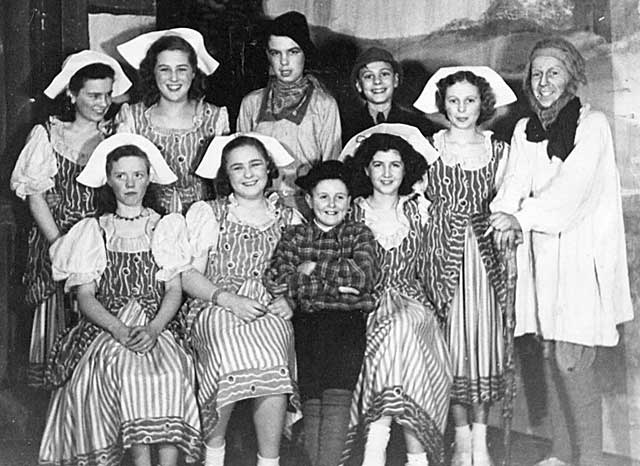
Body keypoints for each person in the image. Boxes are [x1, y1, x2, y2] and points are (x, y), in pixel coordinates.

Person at [489, 37, 634, 466]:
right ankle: (561, 452)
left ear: (571, 76)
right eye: (537, 73)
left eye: (553, 72)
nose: (544, 81)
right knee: (550, 354)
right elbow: (513, 182)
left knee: (573, 358)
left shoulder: (593, 126)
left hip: (577, 259)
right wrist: (502, 212)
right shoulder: (525, 128)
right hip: (541, 263)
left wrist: (522, 217)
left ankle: (589, 458)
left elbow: (573, 194)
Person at [39, 133, 202, 466]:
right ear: (108, 180)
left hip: (156, 322)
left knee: (172, 371)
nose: (130, 183)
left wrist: (155, 328)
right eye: (121, 175)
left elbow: (173, 289)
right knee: (127, 373)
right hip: (109, 324)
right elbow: (86, 296)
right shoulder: (94, 229)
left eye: (138, 175)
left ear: (148, 178)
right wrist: (119, 330)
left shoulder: (165, 226)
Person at [413, 66, 516, 466]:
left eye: (469, 100)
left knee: (484, 342)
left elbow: (509, 199)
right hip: (441, 254)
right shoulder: (428, 146)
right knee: (452, 344)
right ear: (443, 104)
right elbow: (415, 200)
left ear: (483, 104)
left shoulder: (497, 150)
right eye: (453, 100)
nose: (461, 108)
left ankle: (481, 441)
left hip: (485, 257)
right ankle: (459, 438)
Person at [10, 50, 131, 388]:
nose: (102, 102)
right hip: (56, 238)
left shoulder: (115, 136)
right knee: (57, 315)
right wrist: (60, 248)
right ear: (72, 93)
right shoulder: (48, 133)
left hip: (99, 243)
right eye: (93, 95)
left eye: (107, 94)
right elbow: (36, 197)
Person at [180, 133, 303, 466]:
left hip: (268, 305)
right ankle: (214, 453)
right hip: (217, 303)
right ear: (226, 175)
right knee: (226, 351)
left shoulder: (288, 216)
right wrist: (228, 300)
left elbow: (302, 269)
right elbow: (189, 276)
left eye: (254, 165)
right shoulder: (209, 213)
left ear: (268, 167)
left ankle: (269, 460)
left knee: (273, 354)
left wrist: (289, 300)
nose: (248, 174)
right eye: (237, 168)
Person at [339, 127, 451, 466]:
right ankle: (406, 456)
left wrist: (443, 307)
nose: (387, 173)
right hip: (364, 307)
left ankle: (379, 446)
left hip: (413, 303)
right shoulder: (351, 211)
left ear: (406, 170)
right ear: (365, 169)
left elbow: (433, 267)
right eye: (378, 164)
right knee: (395, 333)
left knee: (403, 326)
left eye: (395, 165)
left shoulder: (419, 211)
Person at [264, 160, 377, 466]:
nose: (331, 204)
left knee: (337, 400)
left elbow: (363, 277)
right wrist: (336, 286)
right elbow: (278, 278)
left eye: (339, 197)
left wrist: (311, 269)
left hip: (347, 327)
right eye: (323, 197)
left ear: (350, 202)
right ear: (309, 200)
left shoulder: (359, 234)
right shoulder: (294, 236)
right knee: (312, 401)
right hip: (307, 326)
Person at [236, 11, 342, 213]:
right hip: (260, 207)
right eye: (276, 53)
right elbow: (239, 160)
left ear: (305, 54)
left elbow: (331, 168)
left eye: (293, 52)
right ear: (268, 56)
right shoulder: (251, 103)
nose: (284, 62)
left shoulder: (324, 105)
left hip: (307, 209)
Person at [116, 27, 230, 214]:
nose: (174, 78)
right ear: (153, 72)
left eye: (182, 69)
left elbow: (225, 181)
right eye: (164, 69)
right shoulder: (132, 118)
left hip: (203, 220)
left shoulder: (216, 117)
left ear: (194, 72)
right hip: (147, 219)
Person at [341, 47, 438, 144]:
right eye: (368, 76)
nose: (377, 81)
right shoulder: (346, 127)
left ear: (395, 80)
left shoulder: (418, 125)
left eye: (384, 74)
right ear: (358, 85)